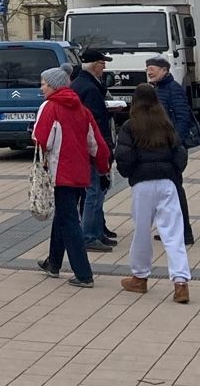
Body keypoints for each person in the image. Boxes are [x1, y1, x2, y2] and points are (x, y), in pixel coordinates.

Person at [33, 66, 110, 289]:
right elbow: (95, 143)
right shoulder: (81, 109)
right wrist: (103, 167)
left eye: (44, 84)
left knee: (69, 222)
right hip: (79, 172)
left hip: (59, 173)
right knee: (64, 215)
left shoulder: (50, 107)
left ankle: (84, 273)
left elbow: (42, 140)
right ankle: (54, 263)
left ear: (55, 86)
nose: (41, 87)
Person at [114, 83, 190, 303]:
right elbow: (179, 152)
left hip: (142, 183)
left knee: (141, 232)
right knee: (174, 233)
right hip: (167, 182)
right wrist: (174, 172)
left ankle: (140, 277)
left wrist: (129, 173)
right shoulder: (165, 124)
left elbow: (124, 156)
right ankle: (181, 282)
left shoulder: (130, 126)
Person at [143, 56, 197, 247]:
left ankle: (185, 233)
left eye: (153, 68)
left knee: (174, 190)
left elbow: (183, 117)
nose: (149, 71)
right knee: (167, 192)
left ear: (164, 70)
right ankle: (173, 230)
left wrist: (175, 143)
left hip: (172, 149)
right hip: (162, 147)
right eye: (148, 68)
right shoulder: (157, 89)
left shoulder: (173, 89)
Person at [70, 49, 118, 253]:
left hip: (88, 145)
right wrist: (105, 145)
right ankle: (89, 235)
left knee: (97, 190)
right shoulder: (88, 88)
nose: (104, 66)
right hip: (92, 147)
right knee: (94, 192)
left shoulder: (85, 84)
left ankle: (97, 232)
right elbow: (94, 121)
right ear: (92, 65)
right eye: (102, 63)